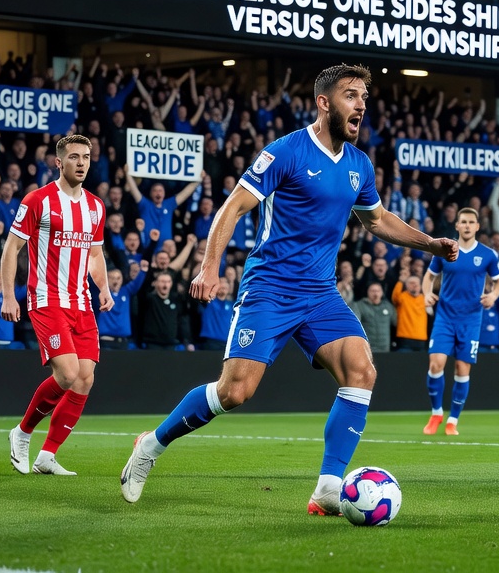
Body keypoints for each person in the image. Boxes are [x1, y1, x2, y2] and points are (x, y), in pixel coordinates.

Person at [119, 64, 459, 515]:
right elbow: (231, 208)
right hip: (270, 289)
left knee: (361, 371)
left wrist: (430, 243)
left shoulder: (359, 164)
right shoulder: (285, 152)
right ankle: (151, 444)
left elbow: (378, 221)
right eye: (351, 96)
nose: (361, 105)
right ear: (324, 102)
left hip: (320, 293)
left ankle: (327, 487)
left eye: (363, 97)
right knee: (234, 392)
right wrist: (209, 267)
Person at [1, 135, 114, 477]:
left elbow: (95, 253)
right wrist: (8, 295)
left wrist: (104, 288)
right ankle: (22, 432)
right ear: (59, 162)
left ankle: (47, 456)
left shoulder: (96, 207)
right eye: (74, 157)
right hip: (47, 299)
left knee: (85, 379)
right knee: (66, 374)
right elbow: (11, 249)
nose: (81, 162)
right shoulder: (38, 200)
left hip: (81, 302)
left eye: (86, 157)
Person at [420, 208, 499, 435]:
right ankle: (436, 413)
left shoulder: (488, 255)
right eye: (463, 222)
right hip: (445, 317)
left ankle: (453, 420)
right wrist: (427, 294)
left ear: (477, 227)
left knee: (462, 368)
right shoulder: (445, 252)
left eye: (471, 222)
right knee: (436, 363)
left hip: (471, 319)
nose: (467, 226)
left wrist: (493, 296)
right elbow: (429, 277)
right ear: (456, 226)